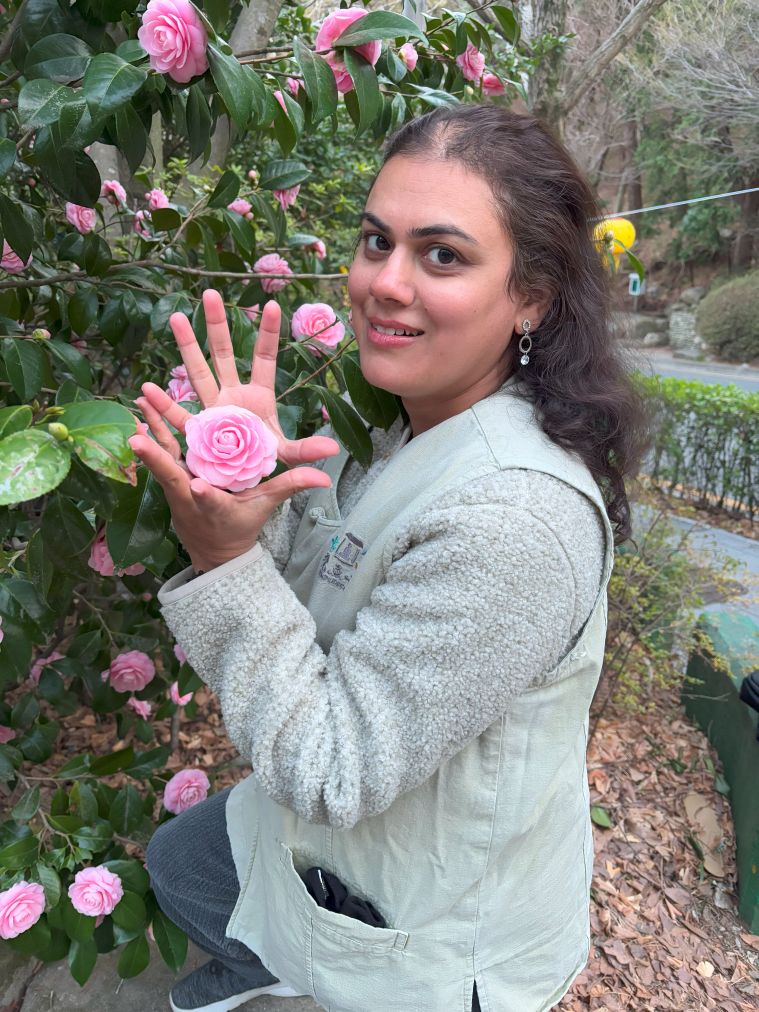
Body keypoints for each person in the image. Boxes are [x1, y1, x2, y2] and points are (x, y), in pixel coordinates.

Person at [132, 105, 647, 1012]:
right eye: (377, 241)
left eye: (441, 255)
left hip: (439, 934)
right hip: (352, 836)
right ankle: (272, 960)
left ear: (530, 296)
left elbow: (334, 769)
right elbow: (335, 586)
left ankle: (294, 969)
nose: (384, 283)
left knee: (187, 870)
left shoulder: (515, 517)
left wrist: (224, 560)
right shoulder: (416, 419)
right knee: (182, 863)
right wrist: (252, 491)